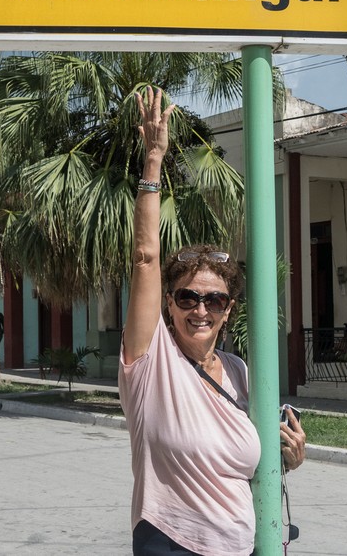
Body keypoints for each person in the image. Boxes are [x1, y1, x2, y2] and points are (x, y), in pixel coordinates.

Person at [119, 87, 306, 556]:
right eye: (187, 297)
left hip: (240, 546)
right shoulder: (150, 362)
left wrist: (289, 456)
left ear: (229, 310)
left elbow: (245, 465)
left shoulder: (240, 372)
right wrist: (153, 161)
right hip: (171, 541)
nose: (200, 309)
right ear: (169, 304)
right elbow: (144, 259)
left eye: (214, 300)